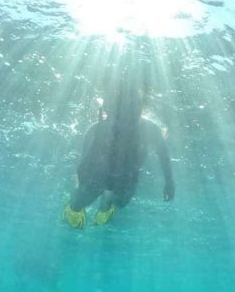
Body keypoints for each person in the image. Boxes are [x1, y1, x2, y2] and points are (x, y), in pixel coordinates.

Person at [63, 87, 175, 228]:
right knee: (84, 197)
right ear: (110, 111)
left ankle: (104, 206)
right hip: (99, 173)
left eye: (133, 109)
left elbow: (163, 153)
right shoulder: (98, 129)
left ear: (140, 109)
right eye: (123, 112)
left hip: (126, 175)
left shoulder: (150, 129)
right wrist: (82, 183)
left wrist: (169, 181)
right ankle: (73, 207)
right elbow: (83, 164)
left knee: (120, 202)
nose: (127, 120)